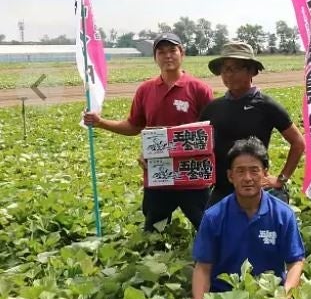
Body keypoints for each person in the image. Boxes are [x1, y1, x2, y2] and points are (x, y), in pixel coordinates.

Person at [83, 33, 214, 231]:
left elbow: (211, 131)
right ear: (155, 57)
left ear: (182, 53)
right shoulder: (145, 90)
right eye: (161, 52)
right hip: (158, 171)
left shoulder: (199, 89)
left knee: (204, 226)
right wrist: (101, 123)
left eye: (172, 50)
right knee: (154, 229)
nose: (167, 56)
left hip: (192, 172)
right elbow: (134, 126)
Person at [192, 137, 305, 299]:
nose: (247, 178)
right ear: (230, 176)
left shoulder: (283, 214)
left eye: (254, 170)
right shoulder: (213, 217)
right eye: (240, 171)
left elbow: (295, 262)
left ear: (265, 173)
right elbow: (203, 268)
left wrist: (283, 298)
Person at [200, 41, 304, 207]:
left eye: (235, 68)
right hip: (222, 189)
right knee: (212, 228)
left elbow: (298, 142)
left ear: (251, 71)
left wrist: (281, 179)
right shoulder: (213, 108)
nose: (229, 74)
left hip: (255, 188)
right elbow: (196, 146)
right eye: (225, 69)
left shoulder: (266, 105)